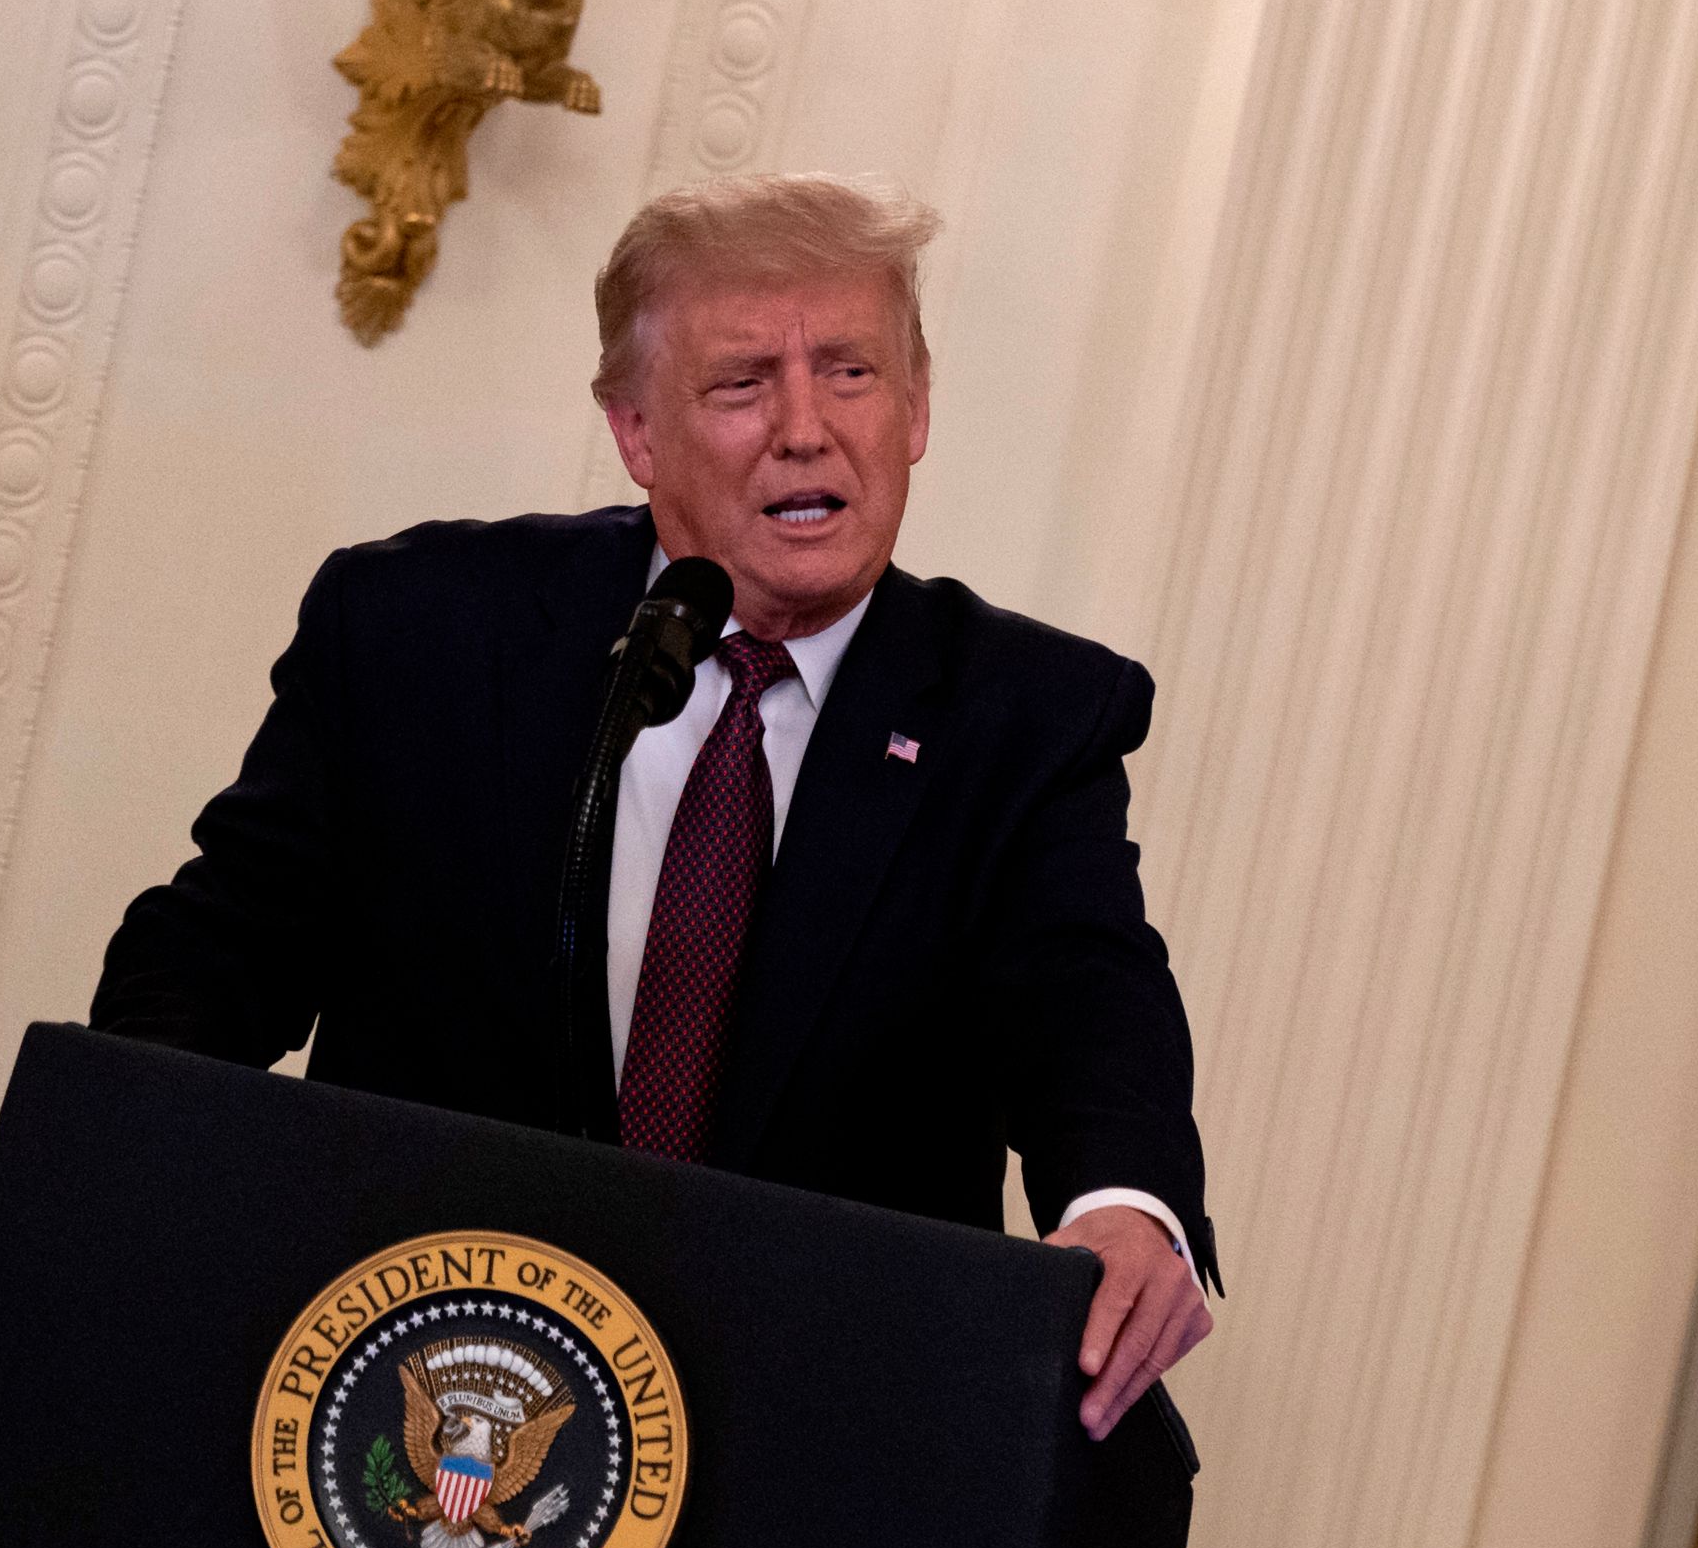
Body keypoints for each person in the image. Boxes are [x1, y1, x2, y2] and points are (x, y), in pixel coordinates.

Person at [94, 173, 1215, 1441]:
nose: (806, 428)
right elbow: (225, 945)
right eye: (743, 384)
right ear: (634, 431)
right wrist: (136, 1151)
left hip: (802, 1421)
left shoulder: (1025, 718)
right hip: (410, 1379)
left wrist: (1128, 1201)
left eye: (850, 372)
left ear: (914, 411)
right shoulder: (422, 631)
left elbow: (1086, 1002)